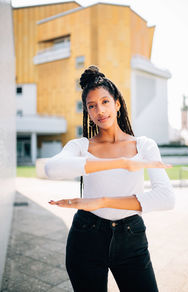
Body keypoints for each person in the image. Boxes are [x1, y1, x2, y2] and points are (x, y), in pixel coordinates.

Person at [45, 66, 175, 292]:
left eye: (105, 102)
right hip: (86, 236)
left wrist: (102, 201)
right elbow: (51, 168)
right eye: (92, 106)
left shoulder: (143, 145)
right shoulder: (81, 146)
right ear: (87, 111)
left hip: (131, 237)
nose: (100, 111)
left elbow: (166, 198)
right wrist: (122, 162)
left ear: (117, 104)